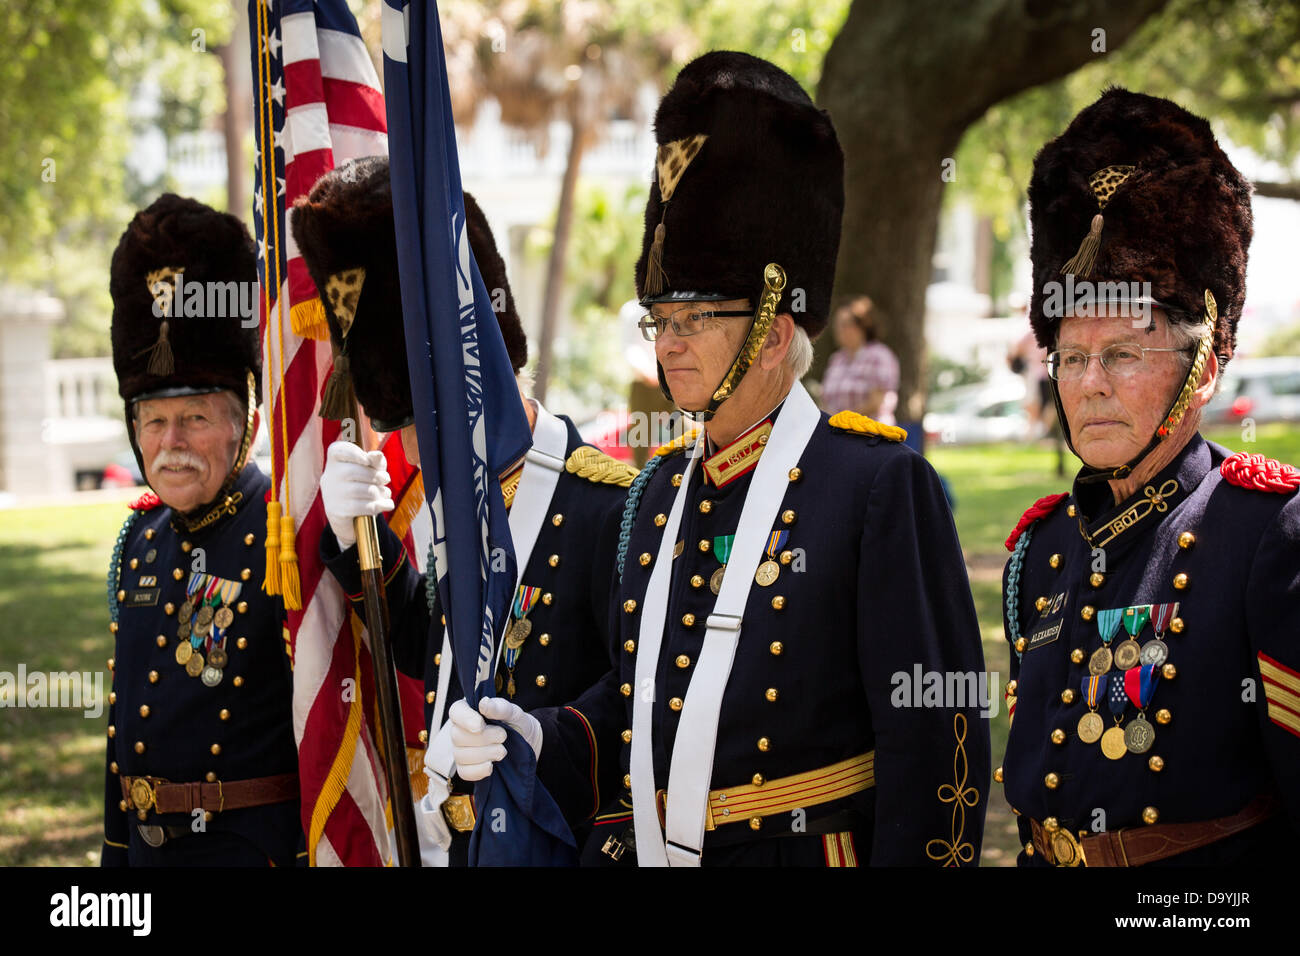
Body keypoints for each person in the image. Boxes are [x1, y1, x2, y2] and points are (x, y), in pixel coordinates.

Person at [453, 51, 989, 867]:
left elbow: (932, 750)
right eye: (658, 319)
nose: (667, 344)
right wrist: (532, 734)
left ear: (774, 334)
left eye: (694, 318)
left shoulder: (876, 485)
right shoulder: (656, 492)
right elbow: (635, 702)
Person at [291, 156, 630, 865]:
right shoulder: (463, 506)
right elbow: (435, 646)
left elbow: (649, 695)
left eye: (423, 429)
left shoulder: (608, 506)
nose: (411, 452)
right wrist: (364, 545)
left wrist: (544, 737)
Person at [999, 88, 1300, 866]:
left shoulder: (1267, 532)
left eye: (1125, 353)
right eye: (1070, 356)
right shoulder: (1040, 548)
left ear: (1204, 366)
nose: (1088, 382)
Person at [102, 194, 301, 865]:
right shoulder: (139, 542)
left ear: (241, 421)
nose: (171, 443)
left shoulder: (285, 532)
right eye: (154, 421)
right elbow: (119, 732)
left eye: (195, 418)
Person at [820, 295, 900, 424]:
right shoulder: (836, 359)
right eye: (837, 325)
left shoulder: (879, 356)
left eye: (845, 324)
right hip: (838, 434)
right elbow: (825, 401)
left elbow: (876, 402)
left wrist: (843, 421)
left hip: (870, 435)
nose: (839, 330)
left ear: (862, 326)